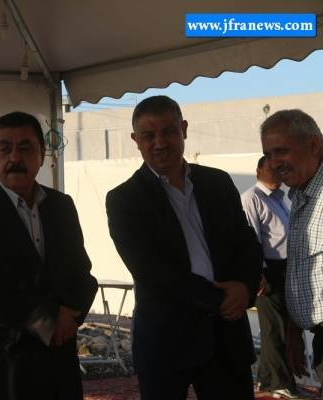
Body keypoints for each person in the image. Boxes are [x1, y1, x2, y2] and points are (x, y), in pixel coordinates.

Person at [106, 95, 262, 400]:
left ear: (184, 129)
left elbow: (246, 242)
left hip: (226, 338)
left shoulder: (217, 183)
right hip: (166, 340)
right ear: (136, 140)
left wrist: (245, 287)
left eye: (168, 131)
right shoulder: (124, 199)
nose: (159, 143)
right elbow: (151, 271)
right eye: (148, 136)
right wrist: (221, 299)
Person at [0, 111, 97, 400]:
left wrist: (70, 319)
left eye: (25, 148)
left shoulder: (61, 206)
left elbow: (82, 274)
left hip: (58, 361)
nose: (14, 157)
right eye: (5, 149)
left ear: (41, 155)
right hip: (2, 367)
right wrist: (48, 322)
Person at [260, 109, 323, 390]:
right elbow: (303, 267)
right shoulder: (299, 193)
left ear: (314, 145)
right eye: (268, 154)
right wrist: (295, 328)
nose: (274, 163)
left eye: (281, 151)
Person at [241, 156, 298, 399]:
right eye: (272, 169)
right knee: (274, 327)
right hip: (268, 270)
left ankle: (267, 378)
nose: (277, 174)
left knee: (283, 324)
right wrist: (258, 272)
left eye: (280, 169)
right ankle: (277, 383)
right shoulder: (251, 198)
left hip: (286, 268)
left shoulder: (279, 198)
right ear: (258, 172)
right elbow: (251, 238)